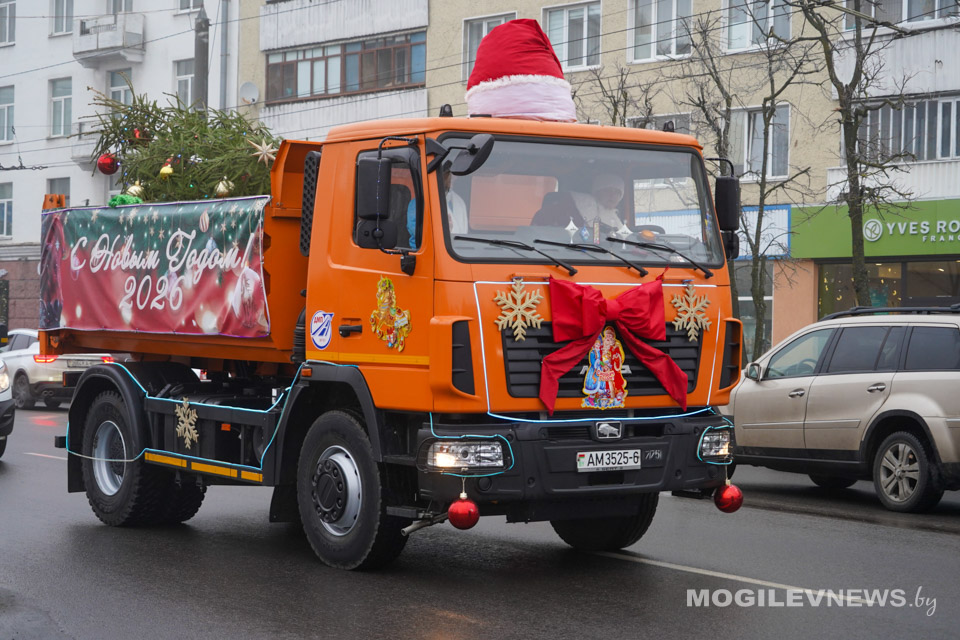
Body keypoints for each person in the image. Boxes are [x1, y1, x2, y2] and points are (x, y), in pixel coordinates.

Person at [531, 173, 629, 242]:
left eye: (617, 192)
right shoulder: (572, 209)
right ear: (597, 192)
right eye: (607, 190)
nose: (612, 195)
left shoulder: (614, 216)